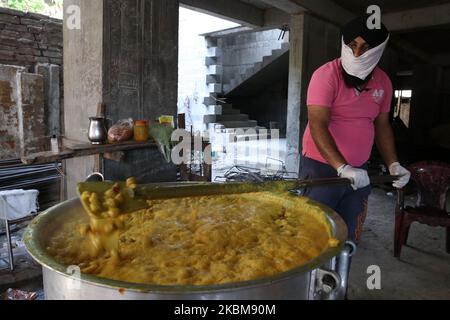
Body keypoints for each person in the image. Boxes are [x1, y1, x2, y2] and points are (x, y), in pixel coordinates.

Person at [300, 15, 411, 243]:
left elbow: (382, 126)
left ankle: (339, 277)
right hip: (322, 169)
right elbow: (317, 123)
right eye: (353, 46)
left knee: (349, 234)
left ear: (379, 50)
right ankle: (312, 279)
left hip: (359, 171)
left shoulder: (383, 82)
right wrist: (342, 167)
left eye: (365, 48)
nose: (357, 54)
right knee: (314, 233)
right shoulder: (326, 76)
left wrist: (393, 163)